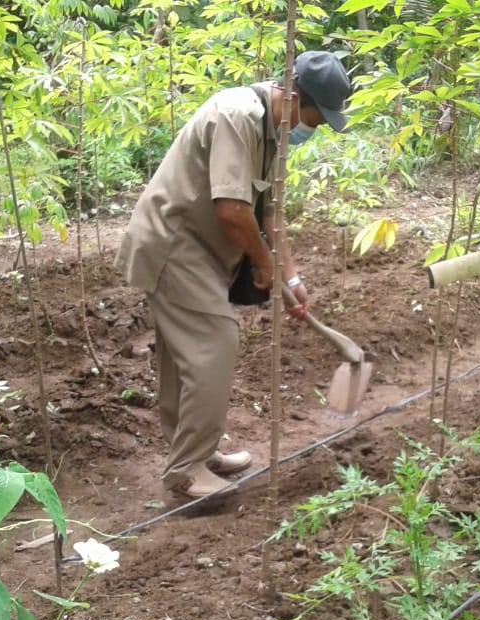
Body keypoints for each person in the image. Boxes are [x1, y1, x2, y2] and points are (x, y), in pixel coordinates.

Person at [117, 51, 352, 499]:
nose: (314, 129)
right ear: (295, 96)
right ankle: (186, 470)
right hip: (174, 245)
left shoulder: (272, 133)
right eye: (315, 119)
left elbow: (270, 212)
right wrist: (264, 263)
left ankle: (196, 454)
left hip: (199, 252)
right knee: (215, 343)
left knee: (184, 357)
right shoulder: (237, 116)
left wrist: (292, 277)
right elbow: (232, 211)